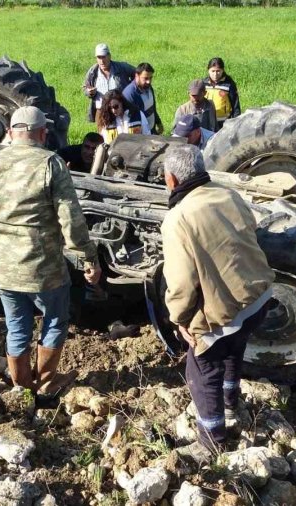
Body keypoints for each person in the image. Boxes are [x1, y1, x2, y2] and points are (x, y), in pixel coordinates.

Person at [0, 106, 102, 397]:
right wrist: (88, 256)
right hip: (44, 268)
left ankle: (21, 386)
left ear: (12, 131)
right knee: (55, 319)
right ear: (42, 132)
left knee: (16, 327)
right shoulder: (51, 164)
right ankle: (47, 382)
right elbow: (71, 217)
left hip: (3, 267)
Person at [161, 144, 274, 456]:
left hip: (227, 314)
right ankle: (230, 404)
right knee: (233, 350)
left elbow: (182, 284)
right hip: (259, 298)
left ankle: (213, 441)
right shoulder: (229, 195)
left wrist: (180, 320)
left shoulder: (178, 218)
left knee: (201, 370)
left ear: (171, 180)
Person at [82, 43, 135, 123]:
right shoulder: (93, 71)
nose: (102, 61)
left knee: (122, 134)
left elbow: (138, 74)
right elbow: (85, 87)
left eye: (104, 57)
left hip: (119, 110)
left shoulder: (121, 67)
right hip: (101, 111)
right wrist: (90, 92)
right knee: (103, 135)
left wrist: (131, 88)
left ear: (109, 56)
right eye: (99, 57)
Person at [122, 62, 163, 135]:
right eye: (145, 78)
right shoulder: (129, 94)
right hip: (141, 135)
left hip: (151, 131)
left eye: (151, 78)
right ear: (137, 76)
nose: (149, 81)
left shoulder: (149, 88)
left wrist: (158, 122)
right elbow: (129, 120)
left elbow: (152, 108)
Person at [202, 58, 240, 132]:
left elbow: (235, 105)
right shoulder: (204, 83)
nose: (215, 74)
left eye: (218, 71)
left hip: (223, 122)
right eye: (213, 71)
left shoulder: (229, 84)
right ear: (208, 70)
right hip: (207, 121)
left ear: (222, 70)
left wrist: (236, 122)